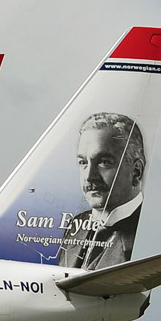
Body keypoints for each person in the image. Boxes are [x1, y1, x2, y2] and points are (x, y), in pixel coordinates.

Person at [57, 112, 145, 269]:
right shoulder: (76, 225)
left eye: (104, 162)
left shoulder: (146, 231)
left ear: (136, 172)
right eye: (83, 162)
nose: (89, 177)